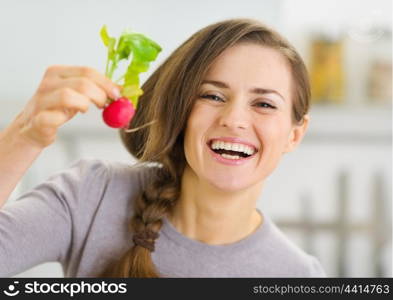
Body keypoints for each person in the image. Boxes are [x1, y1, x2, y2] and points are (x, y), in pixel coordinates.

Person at [0, 18, 326, 278]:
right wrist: (23, 137)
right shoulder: (91, 195)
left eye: (264, 104)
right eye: (212, 95)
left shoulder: (299, 275)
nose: (234, 119)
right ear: (181, 112)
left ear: (294, 135)